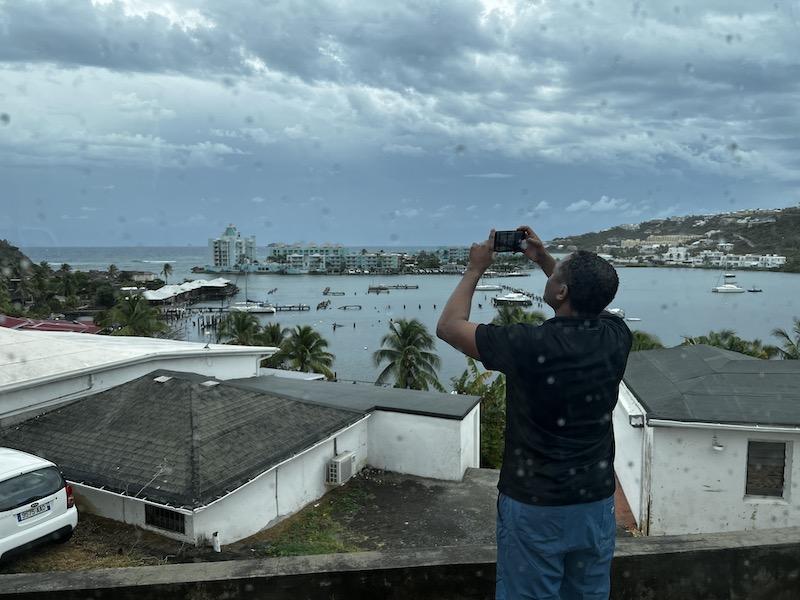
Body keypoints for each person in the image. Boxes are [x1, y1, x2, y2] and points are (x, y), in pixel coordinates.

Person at [436, 226, 632, 600]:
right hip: (595, 502)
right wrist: (544, 260)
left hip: (536, 504)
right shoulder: (617, 335)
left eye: (558, 274)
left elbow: (448, 326)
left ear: (560, 292)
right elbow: (591, 302)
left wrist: (476, 268)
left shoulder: (529, 344)